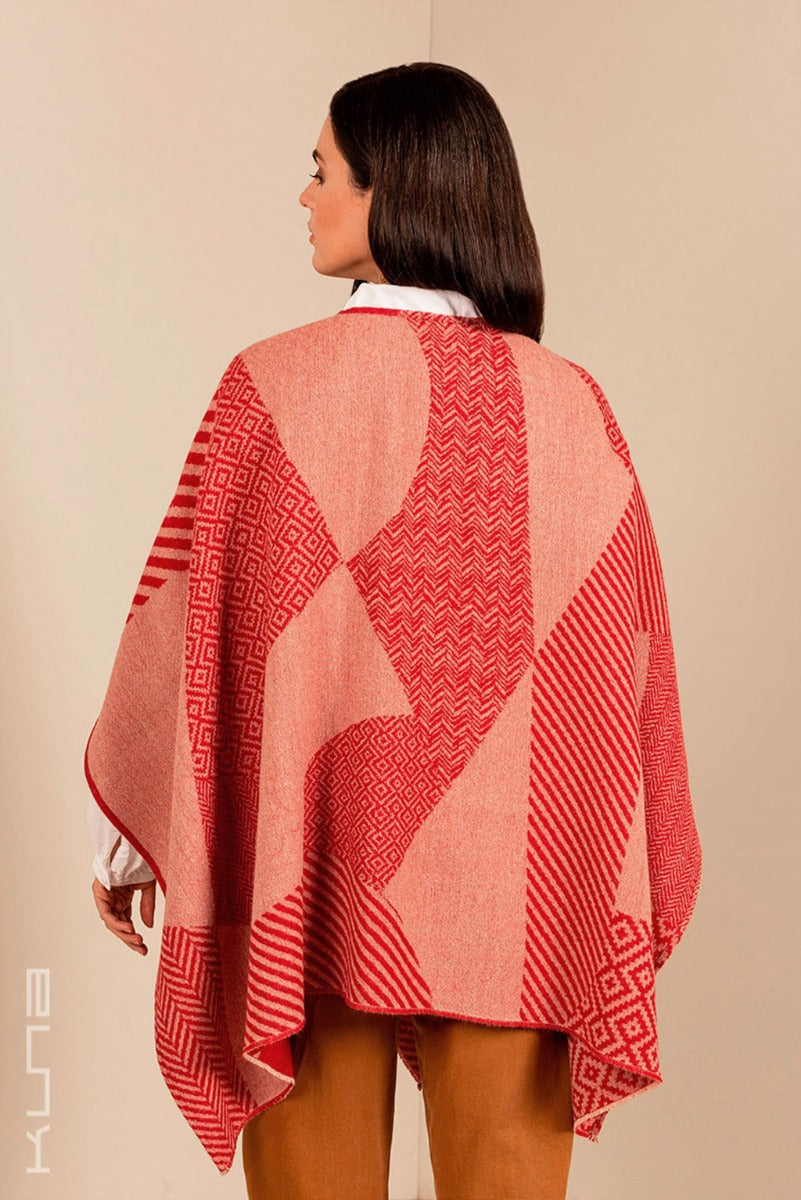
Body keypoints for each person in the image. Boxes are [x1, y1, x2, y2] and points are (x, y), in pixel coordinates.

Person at [85, 62, 701, 1200]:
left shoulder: (270, 389)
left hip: (309, 875)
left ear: (394, 187)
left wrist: (130, 839)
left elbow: (191, 625)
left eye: (322, 170)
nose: (304, 194)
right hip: (522, 885)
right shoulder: (575, 407)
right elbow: (626, 673)